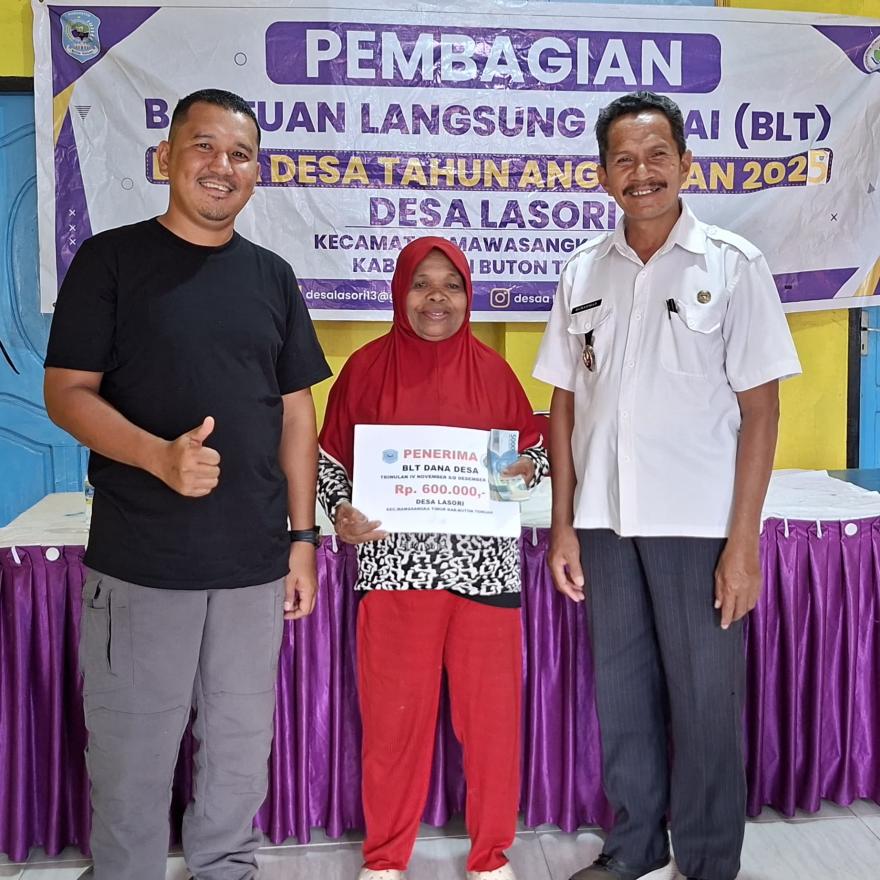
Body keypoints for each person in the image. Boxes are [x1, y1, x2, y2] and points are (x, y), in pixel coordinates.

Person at [43, 88, 331, 880]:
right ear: (166, 157)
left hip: (253, 566)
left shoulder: (272, 277)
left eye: (240, 154)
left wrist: (303, 539)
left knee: (239, 749)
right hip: (144, 561)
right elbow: (66, 392)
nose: (221, 166)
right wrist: (157, 457)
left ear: (256, 173)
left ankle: (226, 868)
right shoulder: (110, 261)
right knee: (133, 750)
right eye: (204, 146)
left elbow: (296, 413)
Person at [533, 91, 802, 880]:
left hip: (699, 525)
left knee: (705, 701)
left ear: (686, 164)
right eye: (623, 159)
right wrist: (564, 524)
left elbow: (761, 410)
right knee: (623, 697)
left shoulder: (733, 265)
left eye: (657, 156)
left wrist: (743, 544)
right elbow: (563, 403)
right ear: (602, 174)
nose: (641, 173)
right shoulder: (582, 270)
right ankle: (635, 846)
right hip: (605, 521)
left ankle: (710, 860)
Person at [318, 237, 549, 880]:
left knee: (491, 723)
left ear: (469, 295)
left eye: (451, 284)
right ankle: (385, 858)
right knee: (394, 724)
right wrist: (342, 512)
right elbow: (329, 463)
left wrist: (525, 469)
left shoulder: (495, 372)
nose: (436, 298)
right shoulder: (365, 369)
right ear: (400, 291)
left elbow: (531, 455)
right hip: (395, 572)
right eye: (421, 284)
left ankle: (491, 857)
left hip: (485, 573)